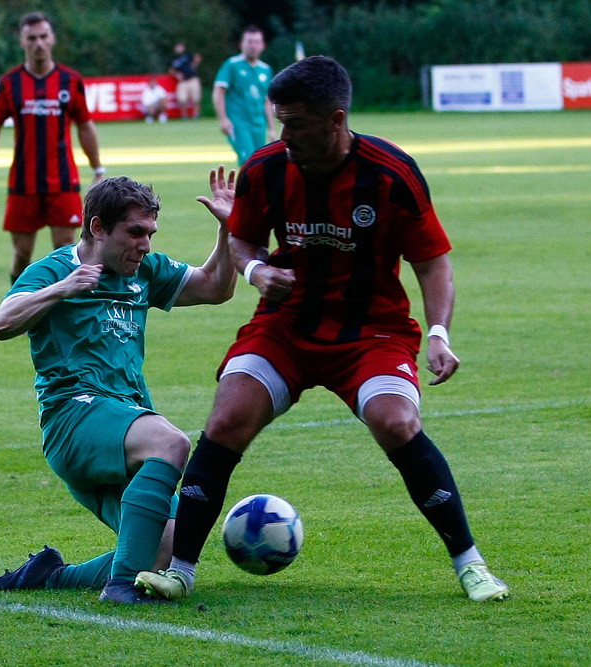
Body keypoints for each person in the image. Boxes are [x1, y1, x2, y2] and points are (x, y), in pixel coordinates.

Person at [137, 56, 510, 604]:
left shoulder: (392, 174)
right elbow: (242, 239)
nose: (283, 135)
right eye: (279, 122)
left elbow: (432, 262)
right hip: (285, 328)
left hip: (371, 332)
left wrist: (438, 333)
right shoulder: (266, 168)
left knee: (397, 422)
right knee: (227, 417)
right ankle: (181, 570)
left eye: (295, 124)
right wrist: (256, 270)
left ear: (336, 120)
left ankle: (471, 565)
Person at [0, 167, 238, 604]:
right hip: (74, 419)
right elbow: (1, 323)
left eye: (151, 233)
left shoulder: (145, 272)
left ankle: (51, 575)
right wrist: (60, 290)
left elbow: (216, 287)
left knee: (169, 547)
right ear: (97, 228)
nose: (146, 244)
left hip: (122, 423)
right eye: (135, 232)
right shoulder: (56, 270)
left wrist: (229, 232)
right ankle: (120, 589)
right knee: (171, 443)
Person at [0, 12, 106, 286]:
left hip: (62, 181)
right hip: (24, 183)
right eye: (32, 38)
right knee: (22, 253)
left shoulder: (69, 81)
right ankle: (17, 303)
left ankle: (64, 314)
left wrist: (97, 168)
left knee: (66, 249)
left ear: (52, 39)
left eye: (44, 36)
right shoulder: (10, 83)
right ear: (22, 41)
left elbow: (85, 126)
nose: (39, 43)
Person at [212, 25, 276, 166]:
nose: (253, 46)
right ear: (242, 44)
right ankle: (245, 188)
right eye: (249, 41)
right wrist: (223, 119)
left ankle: (255, 188)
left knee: (260, 162)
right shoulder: (232, 65)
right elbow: (219, 91)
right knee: (249, 161)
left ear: (263, 45)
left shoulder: (265, 69)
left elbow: (267, 101)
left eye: (257, 42)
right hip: (238, 122)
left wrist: (272, 129)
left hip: (259, 124)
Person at [169, 42, 202, 120]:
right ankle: (184, 116)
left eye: (181, 47)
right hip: (183, 81)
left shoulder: (188, 55)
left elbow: (197, 57)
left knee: (196, 99)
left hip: (193, 79)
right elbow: (171, 70)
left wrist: (194, 65)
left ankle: (196, 115)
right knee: (182, 99)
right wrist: (177, 75)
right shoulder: (174, 59)